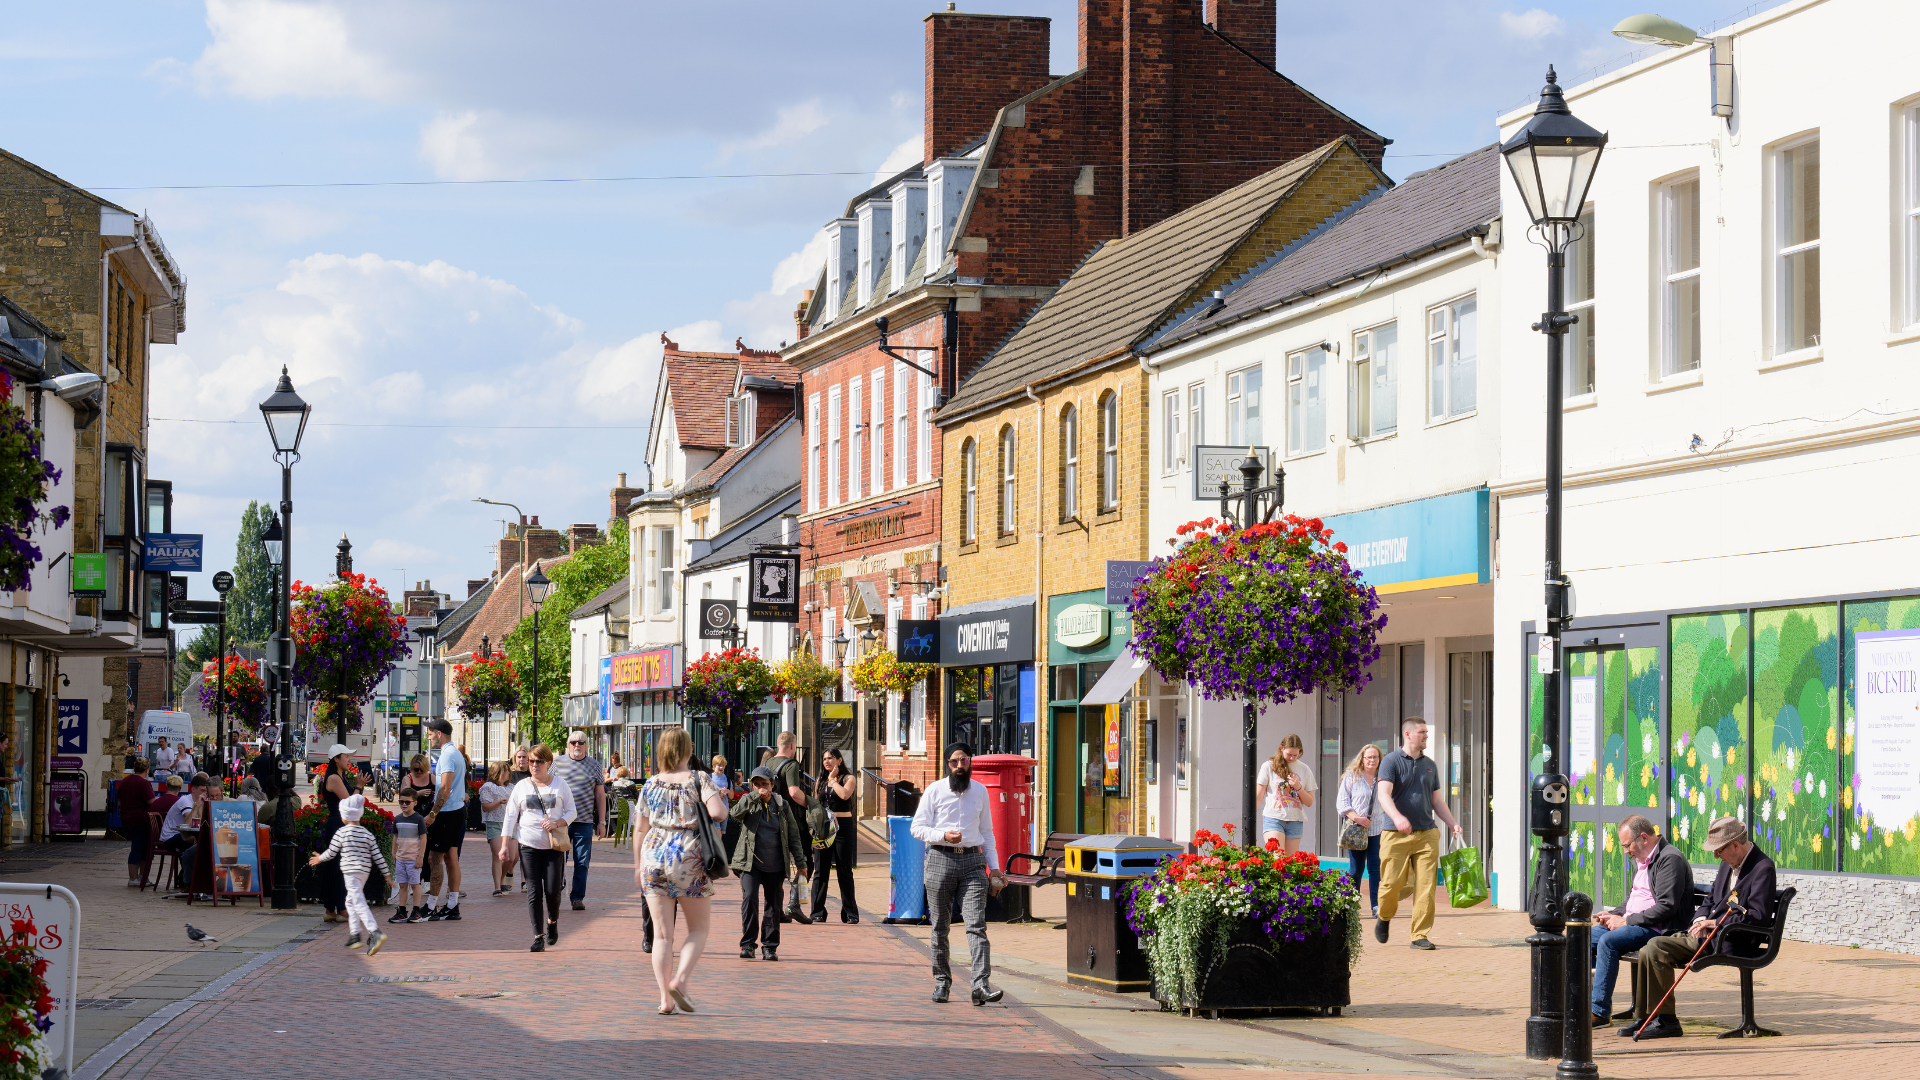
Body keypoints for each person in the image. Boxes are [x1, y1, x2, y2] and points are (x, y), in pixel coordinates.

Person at [1628, 816, 1775, 1039]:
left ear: (1735, 845)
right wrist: (1700, 920)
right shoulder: (1727, 865)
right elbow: (1709, 900)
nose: (1716, 856)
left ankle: (1666, 1021)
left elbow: (1758, 917)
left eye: (1718, 850)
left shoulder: (1762, 868)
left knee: (1656, 947)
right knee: (1649, 948)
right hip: (1708, 934)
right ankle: (1644, 1017)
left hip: (1730, 940)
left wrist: (1715, 923)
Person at [632, 727, 730, 1015]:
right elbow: (718, 814)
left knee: (662, 936)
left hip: (653, 856)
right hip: (688, 856)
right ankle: (681, 980)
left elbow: (640, 828)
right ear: (688, 750)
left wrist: (637, 865)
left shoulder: (650, 784)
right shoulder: (699, 779)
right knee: (698, 928)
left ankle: (665, 998)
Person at [911, 744, 1006, 1006]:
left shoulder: (981, 791)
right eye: (954, 761)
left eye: (964, 760)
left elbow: (987, 832)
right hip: (940, 859)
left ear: (970, 762)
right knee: (940, 926)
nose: (960, 765)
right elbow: (917, 828)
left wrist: (994, 867)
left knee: (976, 925)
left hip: (973, 862)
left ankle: (980, 985)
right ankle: (942, 983)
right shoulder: (935, 790)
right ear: (947, 764)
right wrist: (943, 836)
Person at [1591, 814, 1695, 1028]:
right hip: (1636, 922)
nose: (1626, 851)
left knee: (1608, 942)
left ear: (1644, 838)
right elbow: (1633, 900)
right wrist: (1613, 914)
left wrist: (1626, 921)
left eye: (1627, 845)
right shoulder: (1641, 860)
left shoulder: (1669, 859)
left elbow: (1666, 906)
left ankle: (1599, 1013)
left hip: (1657, 929)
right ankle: (1585, 1004)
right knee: (1585, 938)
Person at [1374, 717, 1464, 951]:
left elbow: (1437, 801)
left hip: (1427, 834)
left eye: (1426, 732)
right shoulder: (1391, 762)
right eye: (1422, 732)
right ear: (1408, 734)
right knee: (1391, 884)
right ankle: (1384, 917)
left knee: (1426, 887)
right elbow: (1383, 794)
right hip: (1395, 834)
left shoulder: (1430, 765)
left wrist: (1452, 823)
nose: (1426, 736)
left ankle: (1419, 935)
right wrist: (1397, 817)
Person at [499, 744, 577, 952]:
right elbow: (510, 817)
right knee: (534, 891)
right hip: (529, 845)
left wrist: (557, 823)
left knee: (552, 891)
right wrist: (505, 844)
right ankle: (538, 936)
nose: (534, 765)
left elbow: (572, 811)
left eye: (538, 762)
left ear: (548, 763)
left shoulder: (560, 785)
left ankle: (552, 921)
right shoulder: (522, 786)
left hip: (553, 847)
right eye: (531, 761)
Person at [728, 766, 807, 961]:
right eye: (756, 784)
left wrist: (801, 862)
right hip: (750, 863)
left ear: (773, 785)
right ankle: (747, 944)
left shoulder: (782, 806)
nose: (761, 788)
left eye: (765, 784)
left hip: (776, 864)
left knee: (773, 904)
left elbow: (794, 836)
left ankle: (770, 947)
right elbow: (734, 813)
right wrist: (754, 797)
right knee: (750, 899)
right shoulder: (749, 802)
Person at [308, 794, 390, 955]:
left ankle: (374, 932)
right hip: (363, 871)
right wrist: (386, 874)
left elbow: (331, 852)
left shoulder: (341, 832)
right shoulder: (367, 834)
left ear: (344, 816)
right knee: (350, 901)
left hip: (350, 871)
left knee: (358, 902)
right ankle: (355, 935)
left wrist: (319, 859)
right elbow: (378, 855)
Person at [548, 730, 606, 911]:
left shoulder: (595, 765)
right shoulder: (557, 763)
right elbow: (548, 788)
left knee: (582, 861)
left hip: (584, 822)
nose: (577, 745)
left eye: (581, 742)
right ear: (568, 745)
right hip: (561, 821)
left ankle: (577, 897)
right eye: (573, 742)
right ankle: (557, 889)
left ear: (587, 745)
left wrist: (602, 822)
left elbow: (600, 795)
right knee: (558, 859)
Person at [421, 719, 469, 921]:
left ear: (439, 733)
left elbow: (445, 788)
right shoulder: (454, 753)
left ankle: (431, 904)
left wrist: (433, 814)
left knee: (434, 858)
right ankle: (452, 905)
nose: (428, 736)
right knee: (451, 857)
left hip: (448, 813)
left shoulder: (448, 755)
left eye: (430, 732)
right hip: (456, 811)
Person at [768, 731, 812, 924]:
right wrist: (811, 803)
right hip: (792, 822)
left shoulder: (765, 764)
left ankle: (776, 910)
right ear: (792, 746)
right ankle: (794, 904)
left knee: (778, 866)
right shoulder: (791, 764)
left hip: (770, 822)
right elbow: (794, 792)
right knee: (805, 861)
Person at [810, 747, 858, 923]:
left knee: (844, 871)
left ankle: (850, 913)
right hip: (824, 827)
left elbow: (845, 795)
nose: (827, 762)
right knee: (820, 870)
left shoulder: (849, 778)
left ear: (839, 760)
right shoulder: (820, 780)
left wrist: (833, 781)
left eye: (830, 758)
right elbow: (816, 803)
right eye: (824, 759)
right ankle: (817, 911)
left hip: (843, 827)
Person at [1336, 744, 1385, 916]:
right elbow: (1342, 803)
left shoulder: (1383, 778)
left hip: (1377, 829)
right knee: (1356, 870)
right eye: (1369, 757)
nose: (1372, 760)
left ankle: (1376, 906)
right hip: (1356, 830)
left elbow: (1391, 800)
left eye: (1375, 757)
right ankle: (1351, 904)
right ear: (1362, 759)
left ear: (1380, 759)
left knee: (1375, 869)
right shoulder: (1352, 777)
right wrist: (1357, 818)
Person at [316, 745, 359, 925]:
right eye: (346, 756)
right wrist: (359, 786)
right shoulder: (334, 777)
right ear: (336, 759)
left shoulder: (339, 776)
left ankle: (332, 909)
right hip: (338, 823)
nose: (349, 760)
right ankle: (339, 909)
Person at [1255, 733, 1316, 853]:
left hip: (1295, 820)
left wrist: (1298, 787)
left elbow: (1309, 802)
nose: (1292, 758)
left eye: (1295, 755)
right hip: (1274, 818)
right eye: (1289, 754)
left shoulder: (1304, 769)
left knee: (1289, 864)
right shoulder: (1269, 766)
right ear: (1281, 748)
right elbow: (1259, 795)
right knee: (1277, 858)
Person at [157, 774, 212, 891]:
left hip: (182, 835)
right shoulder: (185, 801)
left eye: (206, 791)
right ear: (193, 789)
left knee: (199, 844)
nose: (204, 794)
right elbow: (190, 822)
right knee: (195, 845)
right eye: (202, 790)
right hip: (169, 838)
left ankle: (187, 878)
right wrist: (197, 807)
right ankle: (188, 879)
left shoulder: (199, 801)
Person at [388, 791, 429, 924]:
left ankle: (416, 911)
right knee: (403, 885)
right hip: (401, 858)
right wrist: (394, 853)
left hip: (413, 858)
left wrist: (420, 857)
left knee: (415, 884)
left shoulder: (418, 819)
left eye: (407, 802)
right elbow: (395, 837)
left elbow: (423, 837)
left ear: (415, 803)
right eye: (401, 802)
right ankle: (402, 911)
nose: (404, 804)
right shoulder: (398, 819)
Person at [117, 758, 154, 886]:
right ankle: (134, 878)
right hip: (140, 820)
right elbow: (151, 802)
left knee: (140, 848)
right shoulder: (144, 783)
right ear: (147, 770)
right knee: (139, 849)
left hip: (126, 819)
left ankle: (141, 878)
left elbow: (120, 800)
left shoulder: (126, 781)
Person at [480, 763, 513, 896]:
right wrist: (499, 802)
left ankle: (501, 878)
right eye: (505, 771)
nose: (508, 773)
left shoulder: (512, 787)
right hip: (494, 823)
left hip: (510, 824)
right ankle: (497, 887)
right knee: (498, 855)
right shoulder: (488, 787)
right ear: (498, 773)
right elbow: (485, 807)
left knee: (512, 858)